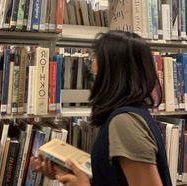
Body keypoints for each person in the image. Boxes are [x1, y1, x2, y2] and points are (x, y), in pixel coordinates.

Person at [30, 31, 172, 186]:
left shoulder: (125, 122)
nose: (91, 65)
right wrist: (66, 173)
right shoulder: (130, 114)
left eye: (95, 57)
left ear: (111, 69)